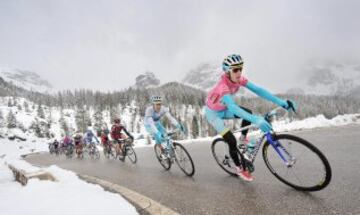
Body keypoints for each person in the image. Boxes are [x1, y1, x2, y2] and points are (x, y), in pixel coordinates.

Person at [205, 54, 296, 181]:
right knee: (231, 140)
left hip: (223, 109)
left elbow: (259, 90)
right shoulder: (222, 87)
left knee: (248, 112)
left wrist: (281, 102)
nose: (239, 72)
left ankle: (242, 141)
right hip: (213, 114)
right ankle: (239, 169)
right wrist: (257, 120)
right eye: (235, 70)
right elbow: (233, 108)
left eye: (240, 68)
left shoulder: (239, 79)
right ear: (227, 71)